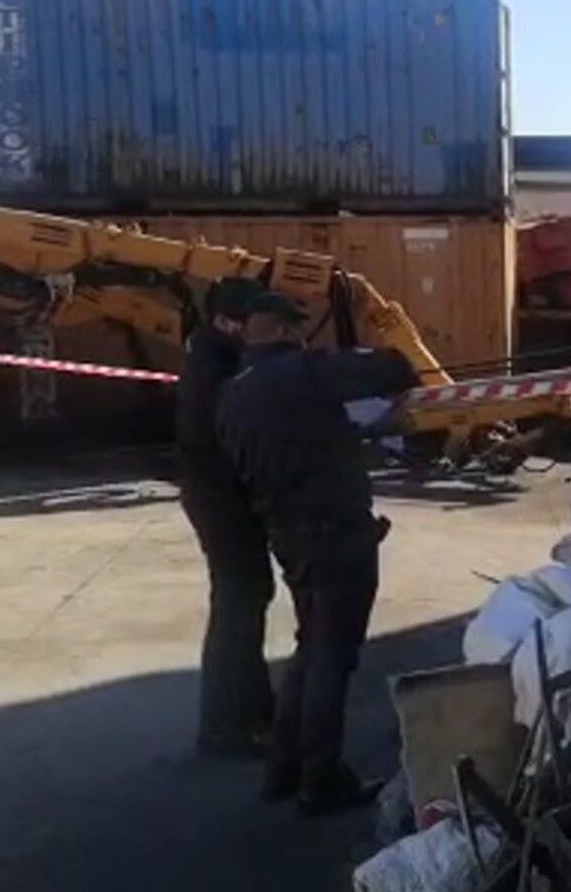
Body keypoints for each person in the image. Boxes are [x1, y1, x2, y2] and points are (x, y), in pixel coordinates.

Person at [216, 291, 421, 817]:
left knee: (310, 651)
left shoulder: (232, 394)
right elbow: (394, 368)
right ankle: (321, 779)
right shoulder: (304, 373)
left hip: (287, 536)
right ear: (285, 332)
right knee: (332, 657)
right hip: (336, 535)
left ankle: (282, 770)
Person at [177, 277, 276, 760]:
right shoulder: (218, 370)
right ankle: (225, 726)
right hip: (222, 503)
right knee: (238, 606)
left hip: (221, 499)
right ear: (228, 321)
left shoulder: (213, 353)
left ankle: (253, 714)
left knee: (249, 597)